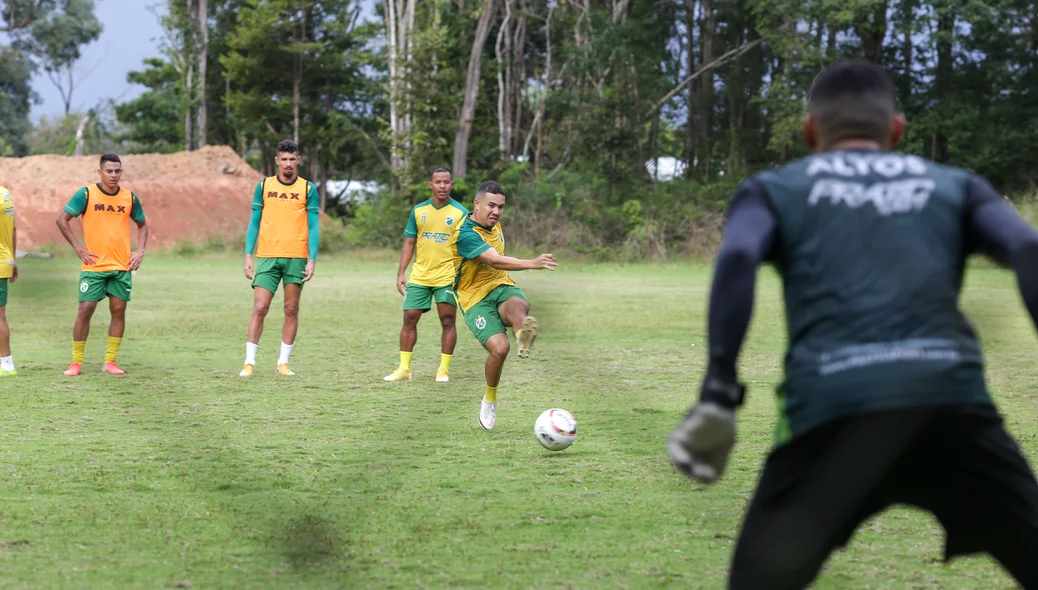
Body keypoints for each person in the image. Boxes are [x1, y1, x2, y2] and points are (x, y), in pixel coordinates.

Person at [666, 59, 1038, 589]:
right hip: (951, 410)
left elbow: (737, 257)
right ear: (897, 130)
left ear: (810, 130)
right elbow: (1026, 246)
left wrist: (718, 392)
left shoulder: (775, 188)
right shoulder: (956, 185)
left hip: (830, 416)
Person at [449, 181, 557, 430]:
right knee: (499, 349)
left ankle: (523, 334)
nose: (496, 211)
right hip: (474, 298)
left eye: (501, 207)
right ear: (476, 204)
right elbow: (495, 260)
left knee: (518, 305)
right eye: (491, 205)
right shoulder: (465, 233)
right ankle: (490, 399)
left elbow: (498, 267)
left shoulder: (495, 225)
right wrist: (532, 263)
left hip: (500, 285)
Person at [56, 153, 149, 376]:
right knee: (85, 309)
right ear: (100, 172)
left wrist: (140, 251)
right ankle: (76, 363)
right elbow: (61, 219)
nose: (114, 175)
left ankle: (110, 362)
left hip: (120, 266)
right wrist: (78, 248)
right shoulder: (86, 194)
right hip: (93, 266)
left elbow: (143, 225)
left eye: (117, 171)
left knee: (118, 311)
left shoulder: (130, 198)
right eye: (109, 171)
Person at [240, 139, 319, 377]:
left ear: (298, 160)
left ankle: (282, 363)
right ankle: (249, 362)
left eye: (291, 159)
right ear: (277, 161)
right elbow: (254, 222)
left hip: (296, 257)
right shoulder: (264, 186)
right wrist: (247, 254)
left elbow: (313, 227)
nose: (287, 164)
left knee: (291, 309)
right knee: (260, 307)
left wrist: (312, 259)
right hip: (267, 256)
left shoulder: (307, 189)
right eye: (283, 159)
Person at [384, 167, 470, 383]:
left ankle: (443, 370)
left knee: (448, 321)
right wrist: (401, 272)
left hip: (448, 277)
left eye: (446, 182)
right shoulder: (418, 211)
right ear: (430, 185)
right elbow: (409, 242)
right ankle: (404, 369)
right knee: (409, 318)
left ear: (451, 185)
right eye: (438, 182)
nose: (442, 186)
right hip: (420, 276)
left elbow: (467, 245)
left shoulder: (460, 213)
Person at [0, 185, 18, 376]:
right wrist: (13, 260)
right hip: (5, 258)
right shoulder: (5, 193)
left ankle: (6, 365)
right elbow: (13, 229)